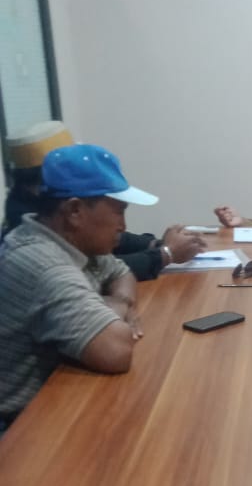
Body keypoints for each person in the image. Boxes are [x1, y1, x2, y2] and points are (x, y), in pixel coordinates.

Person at [0, 144, 156, 426]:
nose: (123, 225)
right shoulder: (43, 264)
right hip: (19, 428)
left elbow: (121, 272)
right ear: (74, 211)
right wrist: (110, 313)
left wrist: (119, 302)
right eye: (119, 212)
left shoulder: (71, 240)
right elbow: (116, 351)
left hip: (53, 401)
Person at [3, 121, 205, 277]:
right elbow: (92, 274)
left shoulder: (43, 203)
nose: (122, 225)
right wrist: (166, 253)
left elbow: (113, 253)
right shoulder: (31, 228)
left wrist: (155, 244)